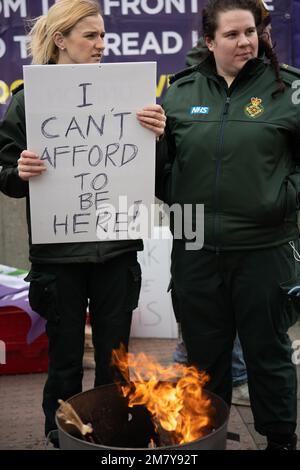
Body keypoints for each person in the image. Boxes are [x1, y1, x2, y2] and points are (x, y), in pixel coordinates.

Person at [0, 0, 165, 447]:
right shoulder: (27, 101)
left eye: (103, 35)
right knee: (65, 363)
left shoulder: (128, 94)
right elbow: (5, 176)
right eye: (90, 35)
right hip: (58, 259)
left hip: (116, 254)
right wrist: (19, 171)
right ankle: (61, 439)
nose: (101, 44)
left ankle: (116, 440)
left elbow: (155, 171)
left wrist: (158, 135)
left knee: (116, 363)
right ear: (60, 40)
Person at [157, 0, 299, 450]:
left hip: (265, 247)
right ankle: (205, 441)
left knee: (268, 354)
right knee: (203, 361)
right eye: (233, 35)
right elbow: (162, 170)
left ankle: (280, 441)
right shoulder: (179, 92)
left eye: (251, 32)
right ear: (208, 41)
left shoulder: (289, 89)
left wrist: (282, 198)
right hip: (196, 247)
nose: (245, 42)